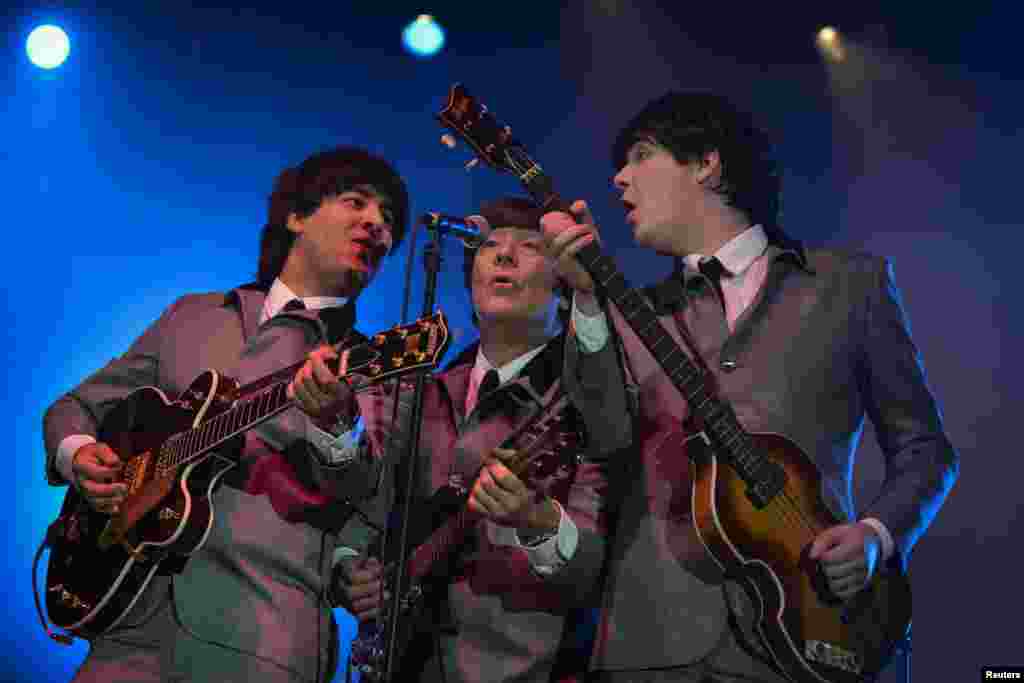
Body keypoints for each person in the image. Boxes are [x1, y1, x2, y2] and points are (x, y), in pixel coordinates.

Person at [541, 91, 960, 682]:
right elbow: (604, 437)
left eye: (641, 155)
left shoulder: (848, 285)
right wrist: (586, 298)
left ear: (706, 165)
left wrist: (876, 535)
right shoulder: (631, 315)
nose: (618, 178)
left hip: (809, 633)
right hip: (651, 645)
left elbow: (925, 448)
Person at [43, 146, 410, 682]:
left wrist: (335, 421)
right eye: (356, 202)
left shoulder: (379, 367)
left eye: (389, 221)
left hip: (262, 635)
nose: (376, 224)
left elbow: (368, 496)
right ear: (296, 217)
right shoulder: (193, 316)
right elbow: (76, 408)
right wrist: (78, 456)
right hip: (127, 624)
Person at [333, 196, 632, 682]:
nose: (503, 255)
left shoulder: (589, 401)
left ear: (564, 287)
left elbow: (597, 563)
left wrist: (538, 521)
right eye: (490, 245)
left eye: (529, 247)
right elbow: (366, 506)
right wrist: (349, 568)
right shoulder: (427, 391)